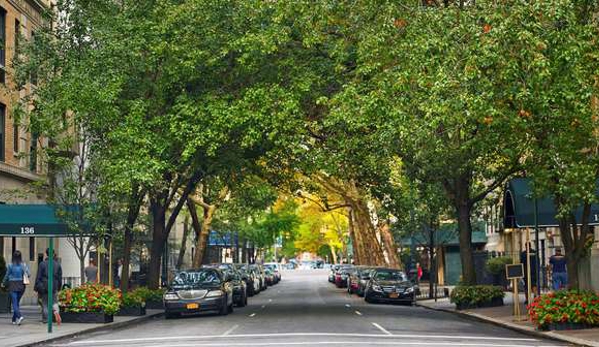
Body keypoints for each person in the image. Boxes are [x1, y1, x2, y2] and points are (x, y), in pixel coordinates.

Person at [1, 251, 30, 325]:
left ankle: (19, 316)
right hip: (21, 285)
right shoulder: (23, 265)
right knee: (16, 303)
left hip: (13, 285)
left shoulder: (10, 265)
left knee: (14, 303)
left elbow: (7, 275)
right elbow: (29, 274)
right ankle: (14, 319)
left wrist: (3, 282)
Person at [35, 248, 62, 325]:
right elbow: (59, 277)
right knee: (54, 301)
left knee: (45, 303)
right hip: (54, 285)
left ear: (46, 254)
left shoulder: (42, 264)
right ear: (53, 254)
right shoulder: (57, 264)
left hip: (44, 285)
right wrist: (59, 287)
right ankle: (56, 312)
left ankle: (45, 319)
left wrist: (36, 287)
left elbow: (38, 276)